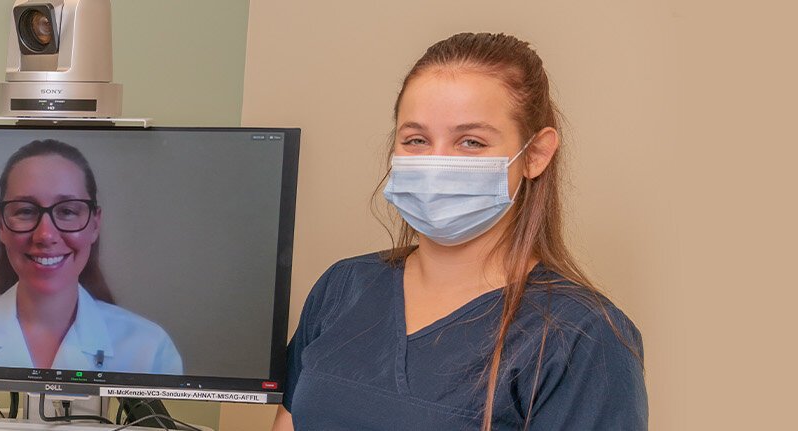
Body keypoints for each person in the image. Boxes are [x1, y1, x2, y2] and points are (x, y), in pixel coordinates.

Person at [274, 33, 646, 430]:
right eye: (416, 140)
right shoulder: (342, 287)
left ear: (536, 154)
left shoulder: (583, 338)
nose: (437, 164)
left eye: (471, 142)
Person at [0, 139, 183, 375]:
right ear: (1, 225)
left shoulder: (149, 348)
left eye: (67, 211)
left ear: (94, 224)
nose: (45, 235)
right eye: (25, 211)